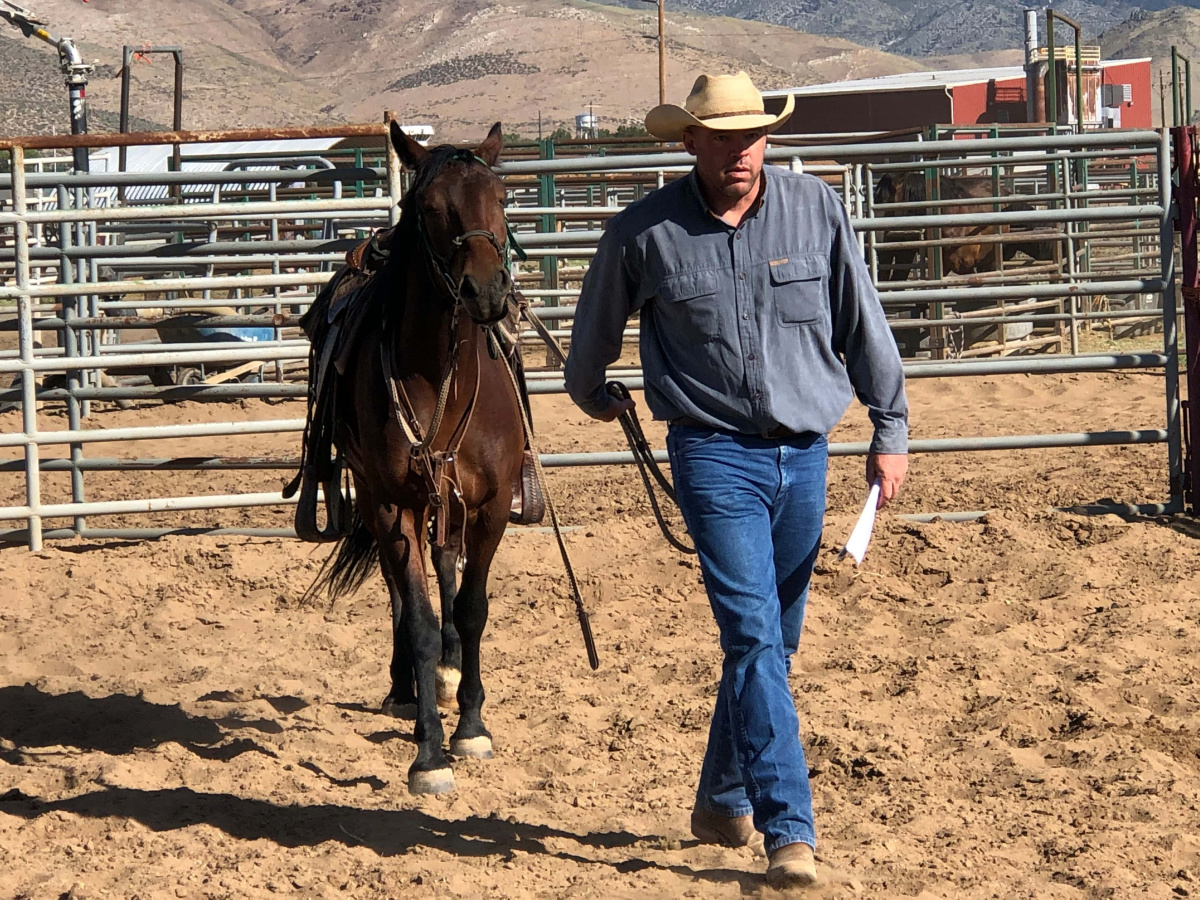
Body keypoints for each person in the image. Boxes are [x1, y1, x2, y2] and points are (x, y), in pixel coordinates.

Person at [564, 71, 909, 887]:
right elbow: (591, 342)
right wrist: (594, 394)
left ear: (768, 138)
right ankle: (789, 828)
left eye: (750, 135)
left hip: (807, 451)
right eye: (721, 137)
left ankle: (721, 798)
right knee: (754, 638)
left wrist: (889, 429)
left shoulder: (815, 210)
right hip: (712, 454)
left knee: (772, 643)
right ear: (688, 142)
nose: (739, 151)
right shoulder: (642, 234)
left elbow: (863, 322)